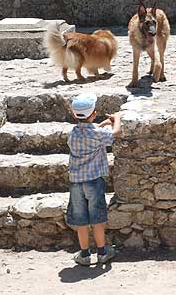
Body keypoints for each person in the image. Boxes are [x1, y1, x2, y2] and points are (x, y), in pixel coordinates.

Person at [67, 92, 122, 265]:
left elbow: (90, 132)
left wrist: (103, 124)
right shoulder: (97, 135)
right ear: (94, 113)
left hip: (76, 182)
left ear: (74, 115)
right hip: (94, 182)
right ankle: (102, 252)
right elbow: (115, 133)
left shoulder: (72, 133)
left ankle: (84, 255)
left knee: (81, 221)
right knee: (97, 219)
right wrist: (117, 118)